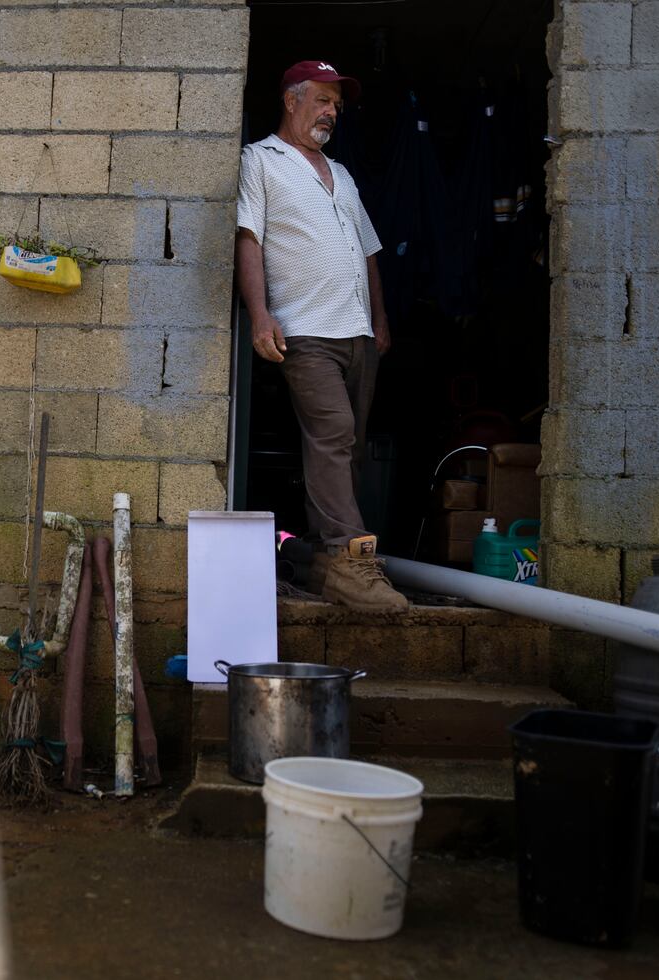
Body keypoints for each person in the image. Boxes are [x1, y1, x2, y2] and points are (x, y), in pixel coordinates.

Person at [235, 60, 408, 614]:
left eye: (337, 104)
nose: (333, 112)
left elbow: (368, 253)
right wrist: (260, 315)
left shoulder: (343, 174)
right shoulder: (261, 161)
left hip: (356, 332)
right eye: (323, 100)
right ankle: (352, 561)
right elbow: (249, 240)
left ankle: (325, 564)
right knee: (333, 432)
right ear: (292, 101)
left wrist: (378, 320)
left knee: (349, 446)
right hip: (305, 331)